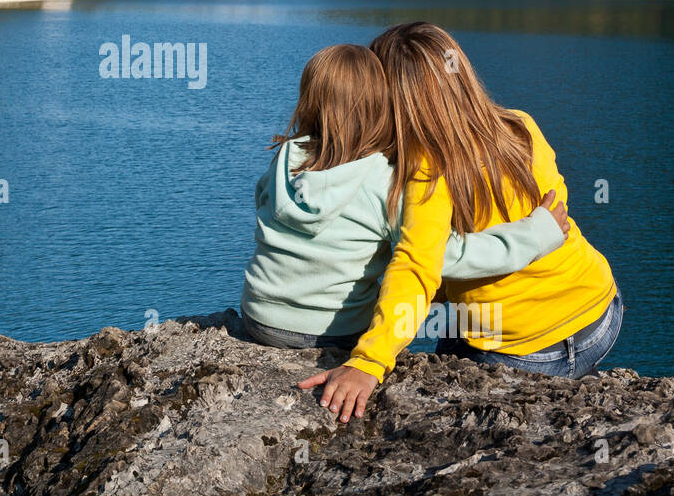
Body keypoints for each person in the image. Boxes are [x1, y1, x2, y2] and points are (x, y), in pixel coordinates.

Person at [299, 24, 623, 423]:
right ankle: (578, 375)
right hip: (600, 311)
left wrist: (368, 362)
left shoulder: (426, 175)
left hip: (525, 351)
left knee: (446, 353)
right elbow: (556, 209)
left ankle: (563, 374)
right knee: (449, 321)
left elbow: (416, 268)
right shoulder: (519, 126)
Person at [241, 43, 570, 351]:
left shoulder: (285, 157)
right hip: (332, 333)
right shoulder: (385, 183)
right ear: (380, 106)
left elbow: (262, 203)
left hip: (257, 317)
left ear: (309, 101)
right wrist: (535, 234)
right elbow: (446, 254)